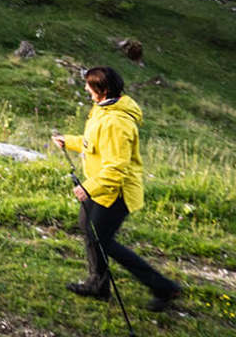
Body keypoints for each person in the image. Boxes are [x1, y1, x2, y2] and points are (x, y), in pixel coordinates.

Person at [53, 65, 181, 310]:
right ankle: (97, 285)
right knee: (90, 231)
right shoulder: (104, 110)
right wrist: (68, 141)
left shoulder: (116, 122)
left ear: (101, 90)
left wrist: (89, 188)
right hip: (103, 186)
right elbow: (94, 144)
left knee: (102, 240)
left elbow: (116, 168)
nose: (85, 88)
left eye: (89, 85)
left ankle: (164, 287)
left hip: (116, 191)